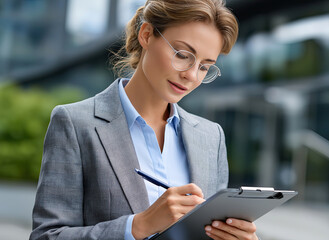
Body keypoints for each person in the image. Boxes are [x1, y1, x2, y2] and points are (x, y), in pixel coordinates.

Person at [30, 0, 260, 239]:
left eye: (204, 67)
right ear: (147, 34)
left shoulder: (212, 137)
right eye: (183, 55)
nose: (191, 75)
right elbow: (47, 235)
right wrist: (137, 226)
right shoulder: (75, 124)